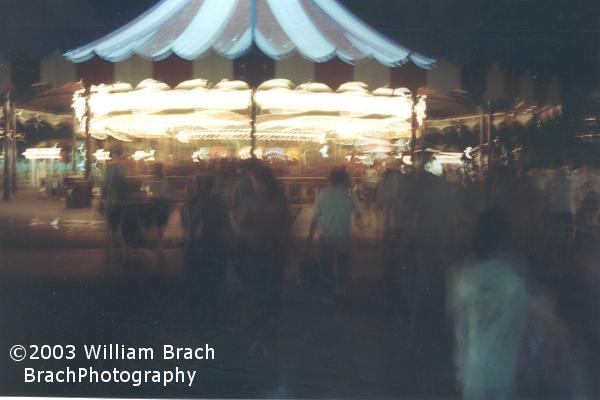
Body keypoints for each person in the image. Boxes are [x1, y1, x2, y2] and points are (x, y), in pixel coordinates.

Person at [232, 162, 291, 357]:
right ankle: (268, 334)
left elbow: (241, 226)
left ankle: (261, 335)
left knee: (258, 292)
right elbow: (285, 227)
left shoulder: (252, 201)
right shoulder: (280, 200)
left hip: (257, 252)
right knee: (271, 292)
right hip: (274, 252)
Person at [308, 166, 362, 305]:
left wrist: (310, 233)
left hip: (326, 234)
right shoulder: (349, 194)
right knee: (342, 264)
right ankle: (340, 290)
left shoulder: (323, 193)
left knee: (326, 265)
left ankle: (327, 293)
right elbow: (358, 213)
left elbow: (315, 215)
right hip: (343, 235)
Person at [182, 173, 231, 326]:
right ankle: (213, 316)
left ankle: (201, 318)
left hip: (202, 246)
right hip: (214, 245)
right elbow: (226, 224)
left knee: (200, 284)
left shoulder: (195, 202)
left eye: (196, 184)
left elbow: (191, 225)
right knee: (213, 284)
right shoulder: (217, 202)